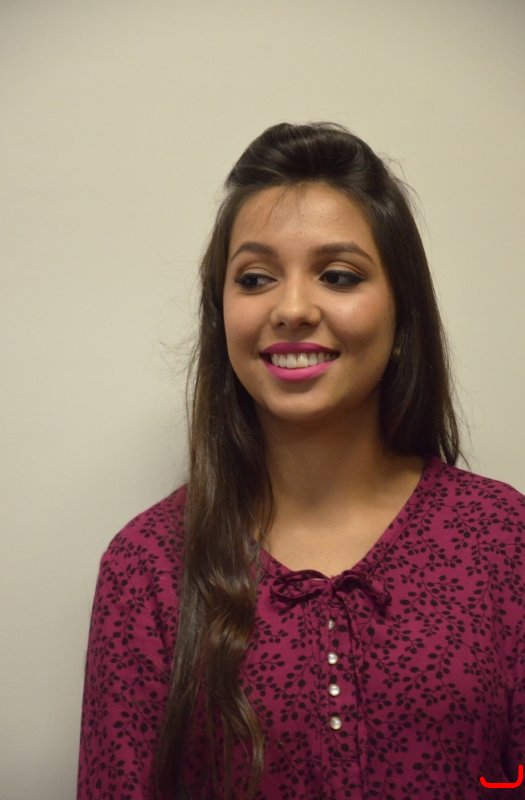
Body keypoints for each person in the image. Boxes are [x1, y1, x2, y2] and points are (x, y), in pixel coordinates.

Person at [77, 122, 525, 800]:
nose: (291, 309)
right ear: (220, 314)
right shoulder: (146, 567)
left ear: (402, 313)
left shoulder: (499, 537)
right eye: (255, 278)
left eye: (337, 275)